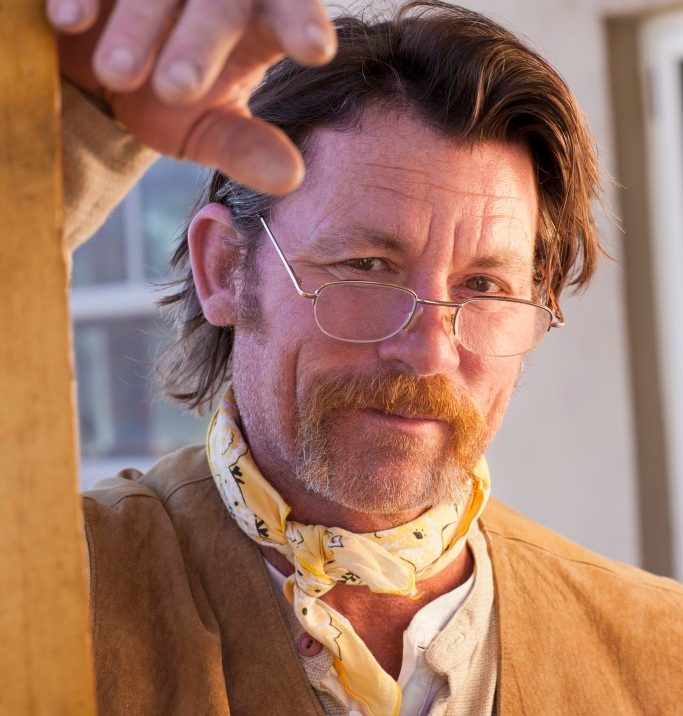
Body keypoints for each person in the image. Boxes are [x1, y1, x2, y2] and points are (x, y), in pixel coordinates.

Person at [50, 0, 683, 714]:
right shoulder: (52, 598)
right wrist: (66, 136)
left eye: (482, 285)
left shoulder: (659, 651)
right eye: (366, 266)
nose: (426, 352)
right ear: (224, 269)